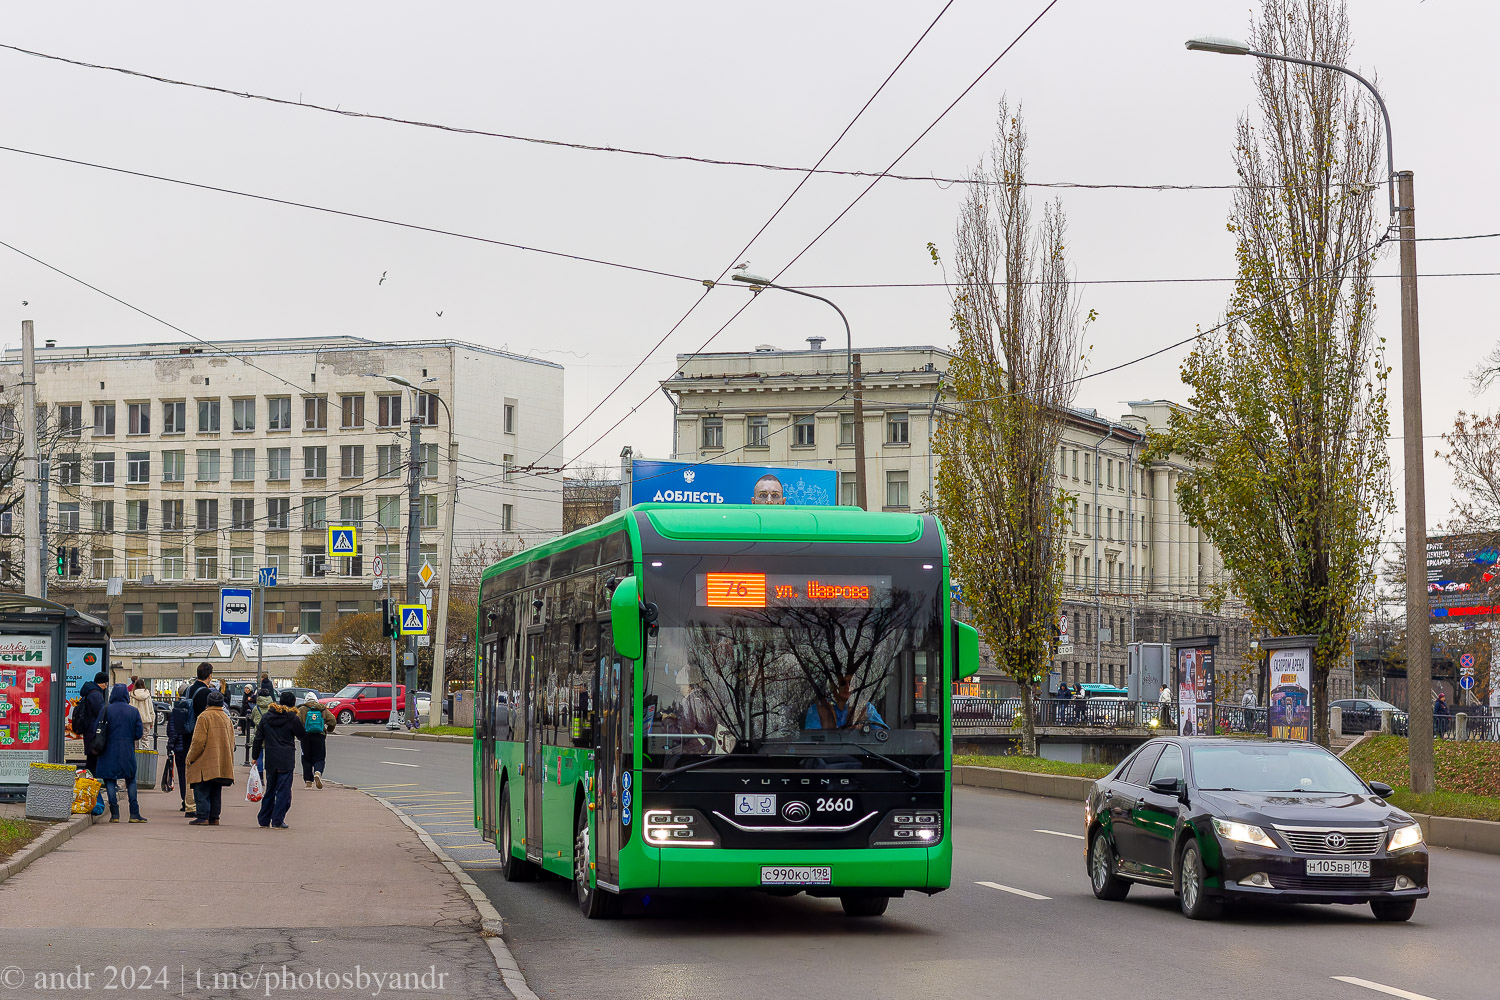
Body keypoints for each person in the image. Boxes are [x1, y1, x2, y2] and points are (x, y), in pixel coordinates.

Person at [94, 683, 147, 823]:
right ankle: (134, 813)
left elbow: (96, 729)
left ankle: (115, 814)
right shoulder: (133, 711)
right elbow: (138, 733)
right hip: (127, 750)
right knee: (130, 779)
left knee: (110, 780)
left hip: (108, 750)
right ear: (125, 695)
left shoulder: (105, 709)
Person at [253, 690, 305, 829]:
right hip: (286, 758)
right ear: (293, 703)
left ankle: (264, 819)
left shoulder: (267, 717)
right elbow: (301, 735)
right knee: (283, 791)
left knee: (270, 789)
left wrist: (254, 756)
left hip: (271, 757)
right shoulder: (292, 718)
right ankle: (277, 820)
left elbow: (258, 738)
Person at [185, 688, 236, 826]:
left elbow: (198, 742)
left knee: (201, 789)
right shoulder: (226, 718)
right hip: (221, 760)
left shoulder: (204, 717)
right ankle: (215, 817)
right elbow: (232, 741)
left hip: (205, 759)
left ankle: (203, 816)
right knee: (216, 790)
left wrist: (190, 757)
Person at [73, 670, 109, 776]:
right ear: (101, 682)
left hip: (89, 730)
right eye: (105, 684)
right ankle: (90, 783)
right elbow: (100, 712)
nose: (106, 686)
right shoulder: (95, 695)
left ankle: (89, 781)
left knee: (91, 759)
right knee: (93, 760)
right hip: (93, 731)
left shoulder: (90, 692)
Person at [297, 693, 335, 788]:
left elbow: (295, 722)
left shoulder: (302, 709)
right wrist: (329, 729)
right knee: (320, 757)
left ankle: (308, 781)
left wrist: (299, 733)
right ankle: (318, 772)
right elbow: (333, 720)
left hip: (305, 736)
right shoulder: (322, 709)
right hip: (319, 736)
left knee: (306, 758)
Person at [165, 683, 192, 812]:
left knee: (182, 774)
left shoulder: (177, 708)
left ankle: (185, 801)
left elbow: (173, 729)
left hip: (179, 748)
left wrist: (170, 745)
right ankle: (192, 801)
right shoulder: (193, 705)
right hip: (191, 746)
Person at [129, 678, 155, 747]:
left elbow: (130, 708)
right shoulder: (147, 694)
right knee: (145, 739)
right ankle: (146, 756)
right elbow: (151, 709)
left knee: (135, 740)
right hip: (146, 720)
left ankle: (135, 756)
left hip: (134, 720)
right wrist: (152, 721)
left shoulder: (132, 694)